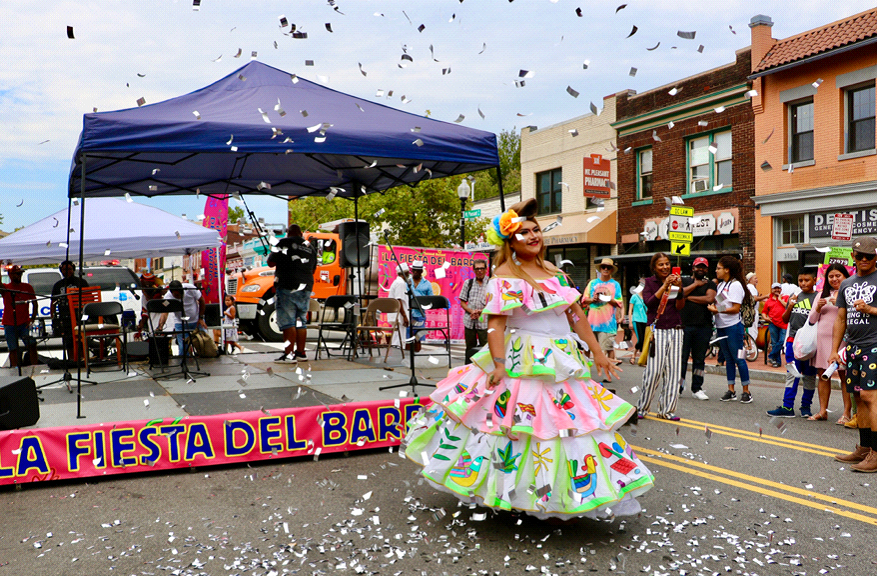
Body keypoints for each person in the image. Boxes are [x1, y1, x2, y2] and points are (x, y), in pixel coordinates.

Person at [404, 198, 653, 520]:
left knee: (566, 426)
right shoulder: (506, 273)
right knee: (519, 427)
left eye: (536, 230)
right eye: (524, 232)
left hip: (559, 357)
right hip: (522, 356)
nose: (534, 236)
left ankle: (561, 493)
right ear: (511, 241)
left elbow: (576, 316)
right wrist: (497, 363)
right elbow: (496, 323)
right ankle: (509, 490)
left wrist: (598, 354)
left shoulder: (553, 271)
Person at [830, 236, 877, 472]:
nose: (865, 260)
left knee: (870, 397)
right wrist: (833, 350)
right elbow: (840, 318)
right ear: (853, 257)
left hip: (875, 345)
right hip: (853, 346)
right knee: (858, 398)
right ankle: (865, 449)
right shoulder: (847, 284)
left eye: (870, 255)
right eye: (860, 256)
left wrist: (871, 309)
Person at [637, 253, 686, 420]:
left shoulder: (676, 281)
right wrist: (664, 285)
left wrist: (679, 289)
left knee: (673, 372)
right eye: (661, 265)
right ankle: (642, 408)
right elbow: (649, 303)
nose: (665, 267)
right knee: (653, 371)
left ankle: (667, 410)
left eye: (667, 264)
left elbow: (680, 306)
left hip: (676, 329)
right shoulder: (649, 283)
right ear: (654, 268)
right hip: (657, 330)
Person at [767, 267, 818, 418]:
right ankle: (787, 407)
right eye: (800, 280)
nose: (803, 283)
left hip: (811, 344)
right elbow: (784, 319)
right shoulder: (794, 296)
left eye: (807, 280)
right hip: (792, 341)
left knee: (809, 376)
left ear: (814, 280)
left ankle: (806, 407)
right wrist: (789, 306)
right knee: (792, 374)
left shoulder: (818, 298)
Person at [266, 224, 317, 364]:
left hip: (288, 285)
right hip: (306, 286)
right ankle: (301, 353)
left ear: (288, 233)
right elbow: (313, 269)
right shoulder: (310, 247)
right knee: (301, 321)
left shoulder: (283, 243)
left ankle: (289, 355)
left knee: (288, 321)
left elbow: (270, 262)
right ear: (300, 233)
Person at [807, 263, 851, 422]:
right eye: (831, 276)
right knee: (822, 375)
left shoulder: (849, 292)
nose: (834, 279)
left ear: (845, 276)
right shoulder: (820, 294)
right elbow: (812, 320)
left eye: (838, 275)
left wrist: (839, 302)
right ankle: (822, 411)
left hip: (842, 340)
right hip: (822, 339)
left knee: (844, 375)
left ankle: (847, 413)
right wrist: (818, 308)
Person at [707, 255, 754, 404]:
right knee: (728, 359)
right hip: (721, 327)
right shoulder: (721, 285)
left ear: (727, 270)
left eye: (719, 268)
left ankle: (746, 391)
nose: (716, 271)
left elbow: (735, 308)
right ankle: (731, 390)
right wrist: (715, 307)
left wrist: (717, 310)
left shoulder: (735, 285)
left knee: (739, 358)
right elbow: (722, 303)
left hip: (734, 327)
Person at [680, 257, 716, 400]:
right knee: (681, 359)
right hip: (684, 326)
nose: (700, 269)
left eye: (703, 267)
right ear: (693, 268)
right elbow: (679, 294)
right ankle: (679, 387)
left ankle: (697, 388)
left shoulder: (711, 284)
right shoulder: (684, 281)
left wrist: (688, 298)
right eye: (698, 266)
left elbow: (709, 299)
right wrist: (695, 285)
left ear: (707, 270)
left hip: (704, 327)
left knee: (699, 359)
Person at [581, 258, 623, 366]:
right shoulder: (592, 283)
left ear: (611, 270)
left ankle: (608, 372)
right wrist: (593, 299)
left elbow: (619, 302)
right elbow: (584, 300)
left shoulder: (615, 285)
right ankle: (586, 372)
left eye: (608, 267)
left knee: (608, 348)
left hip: (607, 324)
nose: (605, 269)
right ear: (600, 269)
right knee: (588, 347)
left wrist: (606, 298)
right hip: (592, 323)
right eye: (603, 267)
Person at [51, 260, 90, 361]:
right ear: (61, 271)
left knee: (81, 339)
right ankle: (72, 361)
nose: (67, 271)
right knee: (68, 341)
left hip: (80, 316)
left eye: (69, 269)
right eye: (64, 269)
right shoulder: (57, 285)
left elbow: (88, 299)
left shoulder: (81, 282)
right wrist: (53, 317)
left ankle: (82, 359)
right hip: (65, 317)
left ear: (73, 270)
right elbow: (53, 302)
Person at [1, 266, 38, 367]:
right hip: (9, 323)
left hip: (24, 323)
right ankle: (14, 368)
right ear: (10, 275)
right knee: (13, 349)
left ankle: (35, 366)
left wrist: (32, 318)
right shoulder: (6, 288)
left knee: (32, 344)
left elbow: (35, 303)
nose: (19, 276)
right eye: (16, 274)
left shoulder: (27, 287)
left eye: (20, 273)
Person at [158, 280, 207, 355]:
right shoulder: (168, 297)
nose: (180, 296)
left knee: (204, 344)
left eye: (181, 293)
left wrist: (200, 318)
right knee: (183, 348)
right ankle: (185, 362)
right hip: (180, 322)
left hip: (196, 320)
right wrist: (160, 325)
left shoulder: (190, 289)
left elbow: (202, 301)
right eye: (176, 295)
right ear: (171, 292)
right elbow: (165, 311)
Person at [459, 259, 489, 364]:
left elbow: (494, 303)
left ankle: (484, 371)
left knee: (485, 348)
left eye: (482, 268)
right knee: (470, 348)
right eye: (477, 269)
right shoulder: (469, 283)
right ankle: (467, 370)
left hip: (484, 322)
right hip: (469, 321)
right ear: (474, 270)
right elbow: (462, 302)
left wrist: (481, 311)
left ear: (486, 269)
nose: (479, 271)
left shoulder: (491, 283)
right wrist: (471, 311)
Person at [407, 260, 433, 353]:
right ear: (411, 270)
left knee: (418, 337)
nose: (415, 272)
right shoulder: (407, 282)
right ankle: (408, 358)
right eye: (414, 270)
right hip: (408, 313)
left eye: (418, 270)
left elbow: (431, 299)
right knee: (408, 337)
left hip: (419, 314)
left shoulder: (427, 283)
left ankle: (417, 357)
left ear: (422, 271)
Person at [761, 282, 788, 368]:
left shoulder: (785, 297)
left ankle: (771, 356)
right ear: (772, 290)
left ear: (781, 289)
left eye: (778, 288)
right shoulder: (768, 301)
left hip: (784, 323)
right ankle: (777, 362)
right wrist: (765, 318)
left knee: (781, 341)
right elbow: (764, 312)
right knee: (774, 343)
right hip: (773, 323)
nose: (777, 290)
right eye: (775, 288)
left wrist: (780, 300)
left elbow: (788, 307)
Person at [387, 265, 410, 349]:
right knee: (398, 341)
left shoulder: (398, 282)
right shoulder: (400, 283)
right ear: (406, 273)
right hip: (399, 315)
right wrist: (404, 316)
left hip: (397, 314)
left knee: (397, 338)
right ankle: (398, 356)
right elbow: (398, 300)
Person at [627, 281, 647, 364]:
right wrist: (630, 322)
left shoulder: (646, 297)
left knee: (644, 340)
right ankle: (641, 358)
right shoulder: (634, 297)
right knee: (641, 339)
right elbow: (630, 310)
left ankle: (634, 355)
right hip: (636, 320)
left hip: (645, 320)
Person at [745, 272, 769, 341]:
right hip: (752, 311)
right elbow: (754, 298)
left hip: (752, 311)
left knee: (753, 329)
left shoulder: (751, 287)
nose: (757, 280)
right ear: (750, 280)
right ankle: (753, 347)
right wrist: (766, 296)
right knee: (752, 329)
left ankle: (753, 346)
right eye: (755, 278)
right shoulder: (751, 287)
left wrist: (764, 299)